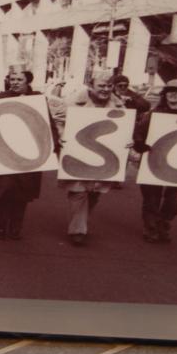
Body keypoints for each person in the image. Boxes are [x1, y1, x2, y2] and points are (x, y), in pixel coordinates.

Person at [0, 64, 56, 240]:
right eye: (12, 79)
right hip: (5, 150)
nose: (14, 83)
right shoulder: (0, 97)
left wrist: (53, 145)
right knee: (4, 190)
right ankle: (1, 224)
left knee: (22, 192)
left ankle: (16, 226)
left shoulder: (37, 99)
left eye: (19, 80)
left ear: (28, 81)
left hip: (29, 152)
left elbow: (46, 124)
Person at [60, 70, 126, 246]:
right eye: (101, 86)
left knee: (95, 193)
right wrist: (60, 135)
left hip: (103, 157)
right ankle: (78, 230)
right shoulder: (73, 102)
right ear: (91, 86)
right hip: (78, 154)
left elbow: (125, 130)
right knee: (78, 191)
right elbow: (59, 121)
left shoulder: (120, 107)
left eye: (109, 86)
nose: (105, 89)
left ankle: (80, 221)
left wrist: (128, 142)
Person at [133, 79, 177, 243]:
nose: (173, 94)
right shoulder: (152, 115)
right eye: (169, 90)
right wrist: (140, 144)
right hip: (153, 162)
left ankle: (163, 222)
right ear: (164, 94)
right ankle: (151, 229)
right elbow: (138, 133)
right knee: (151, 199)